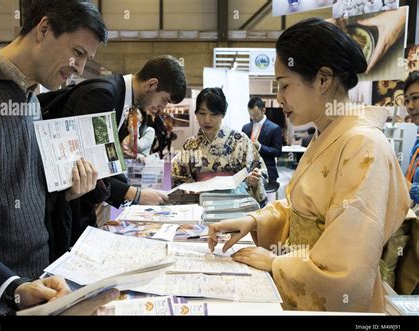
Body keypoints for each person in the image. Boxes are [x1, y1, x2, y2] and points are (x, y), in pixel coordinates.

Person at [208, 18, 410, 312]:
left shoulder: (364, 145)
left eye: (285, 84)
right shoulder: (328, 134)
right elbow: (302, 210)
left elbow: (346, 264)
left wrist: (277, 263)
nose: (279, 97)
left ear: (323, 80)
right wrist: (255, 221)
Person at [0, 0, 118, 315]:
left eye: (87, 58)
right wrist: (7, 290)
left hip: (35, 282)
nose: (80, 67)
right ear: (44, 28)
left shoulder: (33, 100)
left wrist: (68, 192)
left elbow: (20, 189)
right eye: (78, 53)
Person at [38, 55, 186, 242]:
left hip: (78, 199)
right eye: (164, 100)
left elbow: (106, 160)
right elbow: (90, 163)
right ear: (151, 84)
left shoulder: (119, 97)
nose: (162, 108)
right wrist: (135, 194)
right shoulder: (104, 96)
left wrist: (132, 191)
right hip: (61, 203)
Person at [172, 87, 268, 205]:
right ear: (196, 113)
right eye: (202, 113)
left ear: (223, 114)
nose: (207, 120)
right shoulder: (190, 145)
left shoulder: (240, 140)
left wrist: (254, 179)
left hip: (235, 203)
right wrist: (193, 187)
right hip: (201, 203)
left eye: (214, 114)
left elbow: (259, 170)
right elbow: (179, 177)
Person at [242, 97, 282, 192]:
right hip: (248, 173)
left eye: (256, 114)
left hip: (267, 172)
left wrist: (260, 147)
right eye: (251, 115)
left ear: (263, 110)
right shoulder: (246, 128)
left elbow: (278, 152)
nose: (253, 118)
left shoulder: (274, 128)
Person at [404, 71, 419, 204]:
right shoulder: (417, 142)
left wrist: (408, 188)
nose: (410, 106)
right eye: (407, 100)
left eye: (415, 98)